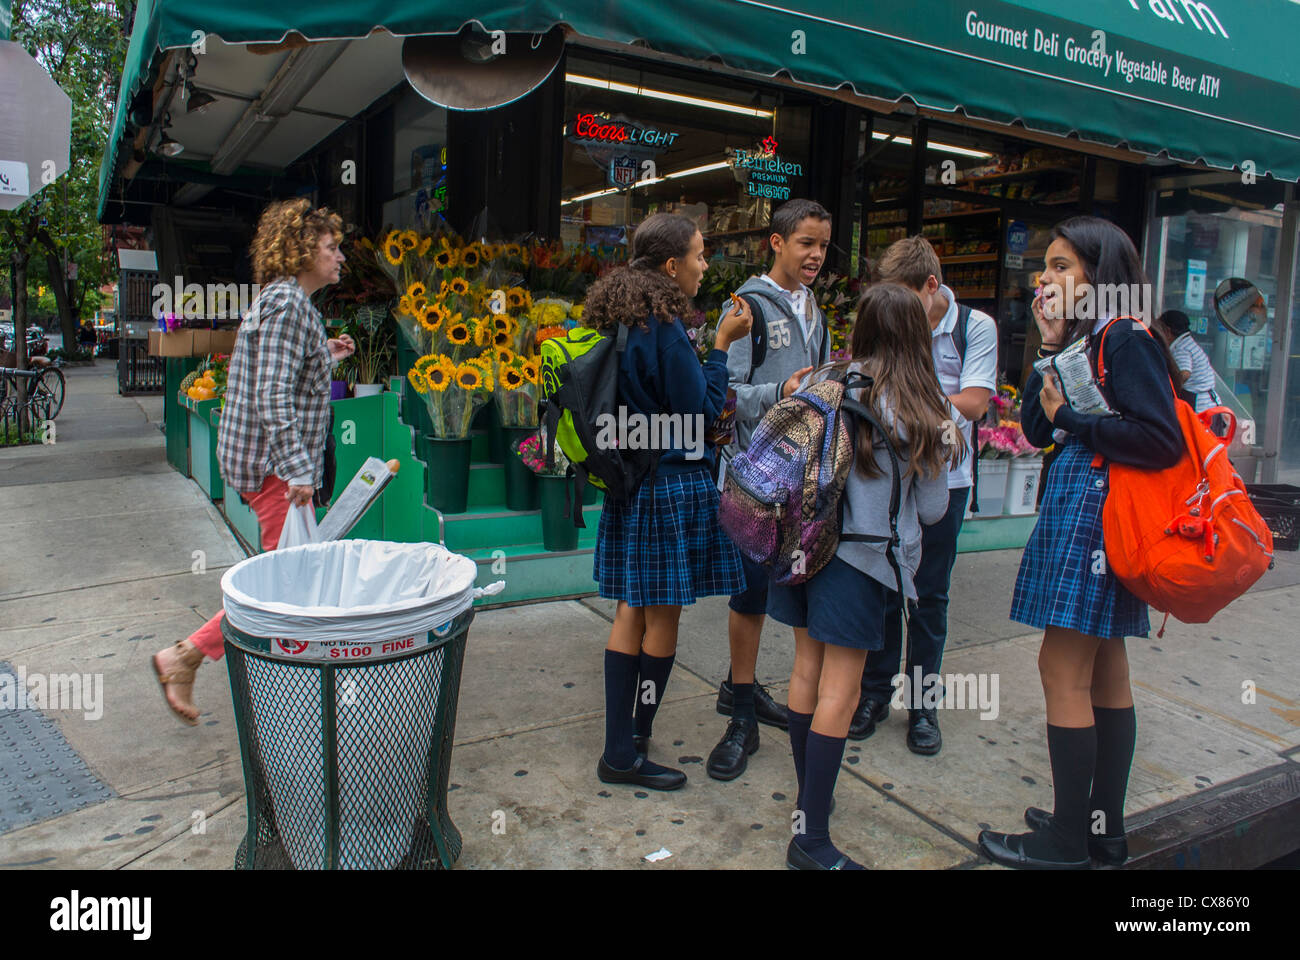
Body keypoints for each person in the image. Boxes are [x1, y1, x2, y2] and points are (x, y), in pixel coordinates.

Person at [978, 216, 1183, 869]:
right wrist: (1048, 343)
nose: (1046, 277)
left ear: (1103, 278)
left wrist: (1073, 416)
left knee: (1061, 671)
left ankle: (1068, 842)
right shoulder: (1085, 342)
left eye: (1063, 266)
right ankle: (1102, 829)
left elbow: (1160, 439)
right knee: (1105, 670)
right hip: (1086, 509)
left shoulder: (1125, 339)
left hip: (1096, 517)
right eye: (1046, 265)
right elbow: (1038, 431)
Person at [769, 282, 954, 869]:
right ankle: (811, 841)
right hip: (858, 560)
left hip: (798, 548)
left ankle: (809, 804)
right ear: (916, 337)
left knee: (806, 672)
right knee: (841, 693)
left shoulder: (826, 381)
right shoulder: (922, 407)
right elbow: (931, 510)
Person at [151, 198, 354, 724]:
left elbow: (277, 370)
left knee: (288, 579)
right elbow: (272, 395)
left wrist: (323, 353)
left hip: (263, 465)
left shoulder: (284, 302)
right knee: (286, 586)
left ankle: (205, 662)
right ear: (303, 249)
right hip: (274, 470)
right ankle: (195, 660)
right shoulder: (289, 306)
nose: (341, 258)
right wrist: (298, 471)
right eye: (332, 247)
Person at [588, 212, 752, 791]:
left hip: (632, 481)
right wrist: (721, 348)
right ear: (670, 264)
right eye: (700, 255)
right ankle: (632, 742)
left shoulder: (621, 317)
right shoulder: (668, 326)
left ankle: (623, 743)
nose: (705, 266)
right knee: (661, 619)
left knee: (630, 611)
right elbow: (699, 417)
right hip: (671, 485)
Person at [853, 237, 996, 755]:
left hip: (945, 483)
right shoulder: (896, 316)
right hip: (889, 481)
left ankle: (923, 706)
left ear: (931, 287)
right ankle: (873, 694)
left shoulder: (974, 328)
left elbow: (976, 403)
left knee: (930, 599)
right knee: (885, 589)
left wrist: (910, 407)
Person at [709, 198, 831, 780]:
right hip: (753, 475)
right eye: (805, 243)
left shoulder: (816, 310)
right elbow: (723, 395)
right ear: (776, 243)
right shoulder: (746, 305)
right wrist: (782, 389)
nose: (815, 255)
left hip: (799, 479)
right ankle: (739, 712)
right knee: (750, 592)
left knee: (794, 589)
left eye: (823, 246)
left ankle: (752, 693)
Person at [1157, 310, 1221, 413]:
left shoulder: (1181, 349)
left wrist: (1168, 389)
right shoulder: (1188, 343)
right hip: (1209, 403)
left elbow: (1185, 373)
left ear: (1167, 331)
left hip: (1199, 407)